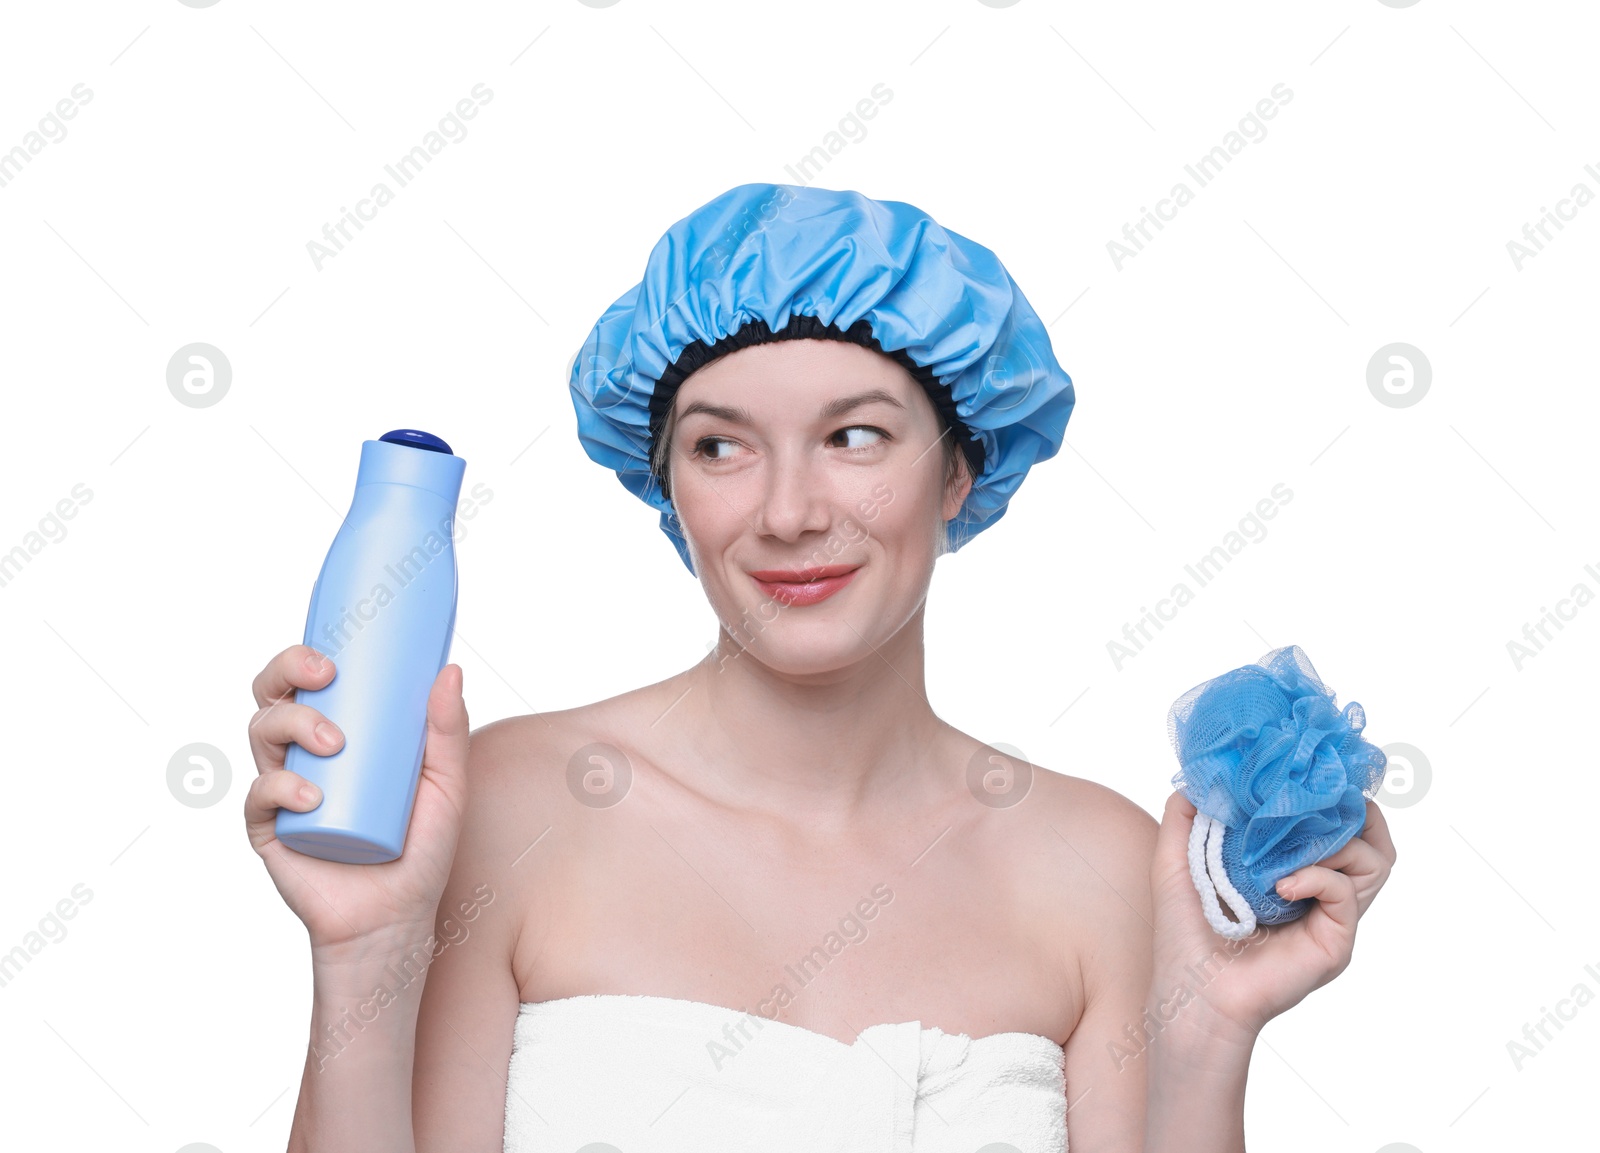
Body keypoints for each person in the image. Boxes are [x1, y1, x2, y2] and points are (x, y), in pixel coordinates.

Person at [245, 183, 1396, 1153]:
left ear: (958, 473)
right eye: (720, 445)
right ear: (669, 493)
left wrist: (1205, 1038)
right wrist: (366, 954)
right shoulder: (504, 810)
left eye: (855, 436)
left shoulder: (1099, 867)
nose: (789, 512)